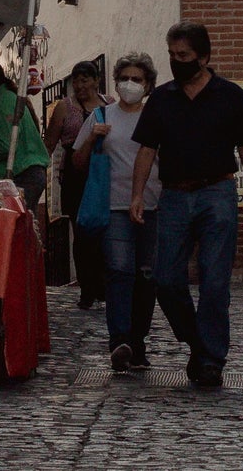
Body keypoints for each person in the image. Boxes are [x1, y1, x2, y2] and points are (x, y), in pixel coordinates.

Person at [129, 22, 243, 388]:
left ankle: (211, 360)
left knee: (215, 281)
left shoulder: (230, 96)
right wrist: (138, 194)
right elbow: (146, 150)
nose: (176, 61)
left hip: (217, 194)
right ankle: (197, 342)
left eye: (183, 55)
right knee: (166, 279)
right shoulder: (162, 98)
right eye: (172, 55)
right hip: (173, 196)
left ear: (203, 57)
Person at [74, 52, 161, 371]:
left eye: (136, 79)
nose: (129, 84)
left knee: (147, 277)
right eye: (124, 78)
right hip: (113, 207)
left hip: (152, 207)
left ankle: (138, 343)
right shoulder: (99, 116)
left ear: (148, 84)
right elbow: (77, 163)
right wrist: (91, 141)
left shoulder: (156, 117)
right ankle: (120, 340)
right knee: (119, 271)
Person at [0, 56, 50, 220]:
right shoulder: (2, 99)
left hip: (23, 174)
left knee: (19, 228)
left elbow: (6, 146)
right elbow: (6, 139)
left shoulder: (3, 101)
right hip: (27, 173)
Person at [55, 62, 109, 309]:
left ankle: (103, 285)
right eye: (76, 80)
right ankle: (87, 287)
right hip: (76, 174)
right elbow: (50, 141)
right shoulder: (65, 108)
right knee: (81, 229)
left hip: (102, 171)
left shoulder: (109, 104)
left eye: (85, 80)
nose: (80, 85)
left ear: (96, 81)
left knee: (105, 228)